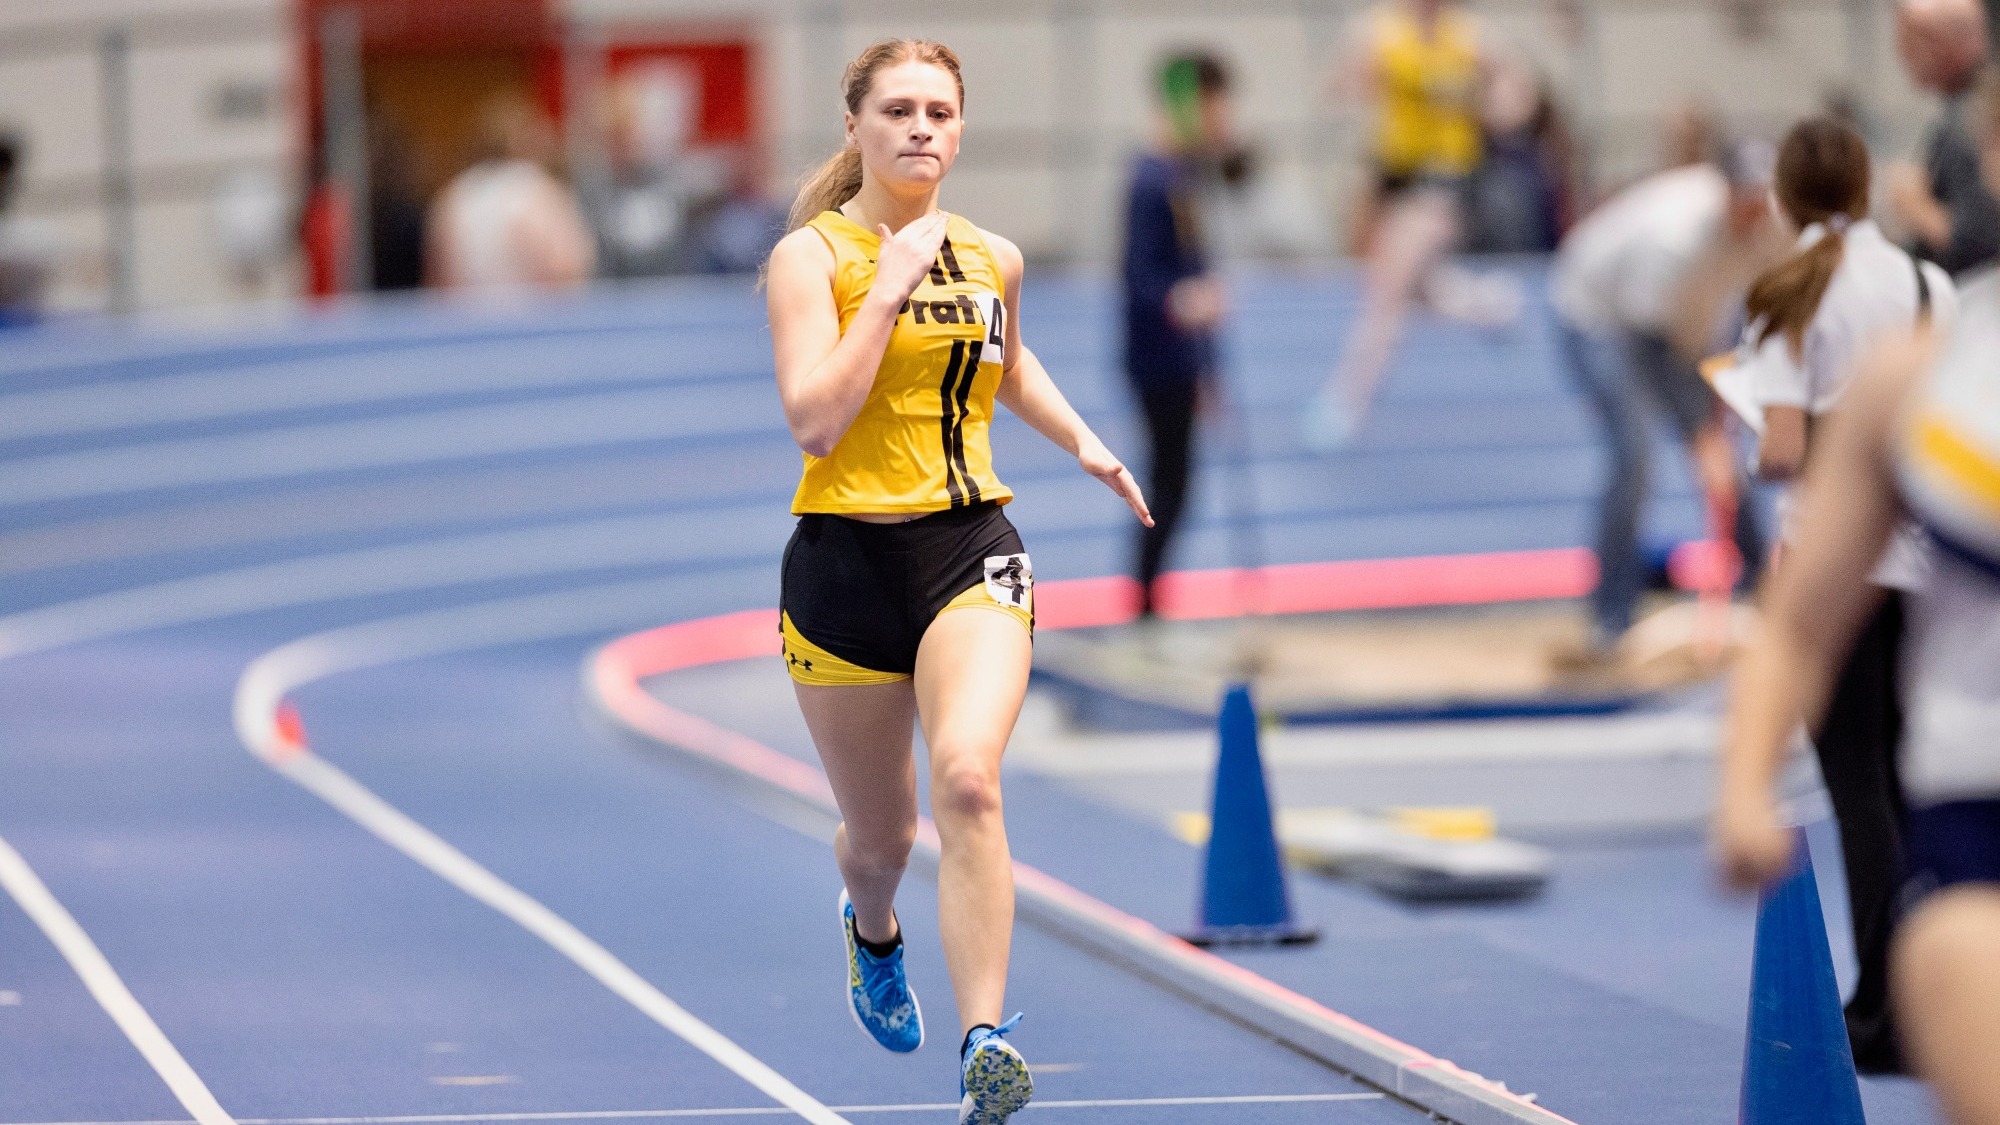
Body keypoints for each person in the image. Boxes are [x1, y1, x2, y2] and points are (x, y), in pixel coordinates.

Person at [761, 39, 1151, 1125]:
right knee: (880, 840)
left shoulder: (994, 258)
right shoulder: (813, 259)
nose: (920, 128)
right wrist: (884, 289)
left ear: (961, 128)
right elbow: (814, 419)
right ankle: (872, 927)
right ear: (856, 128)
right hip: (840, 567)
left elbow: (1007, 358)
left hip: (967, 546)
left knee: (969, 780)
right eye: (897, 109)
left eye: (939, 110)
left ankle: (984, 1039)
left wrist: (1081, 441)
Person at [1715, 74, 2000, 1125]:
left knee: (1860, 794)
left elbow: (1782, 450)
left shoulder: (1787, 291)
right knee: (1884, 791)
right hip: (1929, 599)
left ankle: (1878, 1005)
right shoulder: (1929, 304)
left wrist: (1742, 792)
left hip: (1863, 578)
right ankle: (1890, 996)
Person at [1548, 139, 1776, 662]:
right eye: (1746, 199)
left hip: (1681, 328)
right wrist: (1702, 434)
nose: (1755, 212)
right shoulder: (1673, 240)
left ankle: (1764, 590)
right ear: (1726, 193)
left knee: (1729, 463)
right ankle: (1611, 616)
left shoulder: (1770, 226)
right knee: (1635, 456)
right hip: (1601, 319)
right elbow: (1651, 347)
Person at [1302, 0, 1522, 451]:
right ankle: (1490, 306)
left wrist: (1489, 100)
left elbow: (1517, 98)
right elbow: (1338, 84)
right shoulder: (1382, 32)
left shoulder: (1471, 37)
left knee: (1387, 288)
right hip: (1393, 175)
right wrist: (1351, 78)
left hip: (1447, 178)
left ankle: (1347, 400)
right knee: (1417, 293)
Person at [1120, 51, 1232, 618]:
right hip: (1157, 361)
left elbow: (1193, 269)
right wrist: (1186, 303)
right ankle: (1143, 605)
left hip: (1183, 362)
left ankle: (1149, 602)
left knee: (1176, 485)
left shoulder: (1185, 177)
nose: (1224, 120)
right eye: (1215, 106)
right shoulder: (1150, 180)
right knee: (1167, 485)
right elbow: (1142, 279)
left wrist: (1211, 371)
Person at [427, 101, 596, 293]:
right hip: (536, 317)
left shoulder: (455, 194)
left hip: (470, 319)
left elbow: (438, 278)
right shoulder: (534, 188)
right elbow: (564, 266)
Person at [1886, 0, 2000, 278]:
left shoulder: (1975, 118)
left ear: (1938, 43)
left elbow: (1980, 239)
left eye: (1908, 42)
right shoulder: (1962, 109)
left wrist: (1914, 205)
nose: (1899, 54)